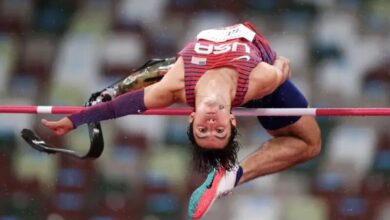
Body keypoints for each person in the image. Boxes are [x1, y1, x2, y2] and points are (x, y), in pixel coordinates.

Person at [41, 22, 321, 219]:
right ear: (232, 120)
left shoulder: (174, 87)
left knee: (161, 73)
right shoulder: (262, 81)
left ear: (191, 118)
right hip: (254, 72)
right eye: (218, 129)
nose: (211, 121)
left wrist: (74, 120)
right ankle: (231, 176)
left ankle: (228, 177)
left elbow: (117, 108)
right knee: (310, 144)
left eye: (203, 129)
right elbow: (282, 68)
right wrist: (280, 64)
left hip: (199, 70)